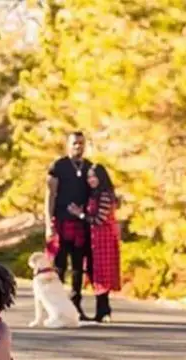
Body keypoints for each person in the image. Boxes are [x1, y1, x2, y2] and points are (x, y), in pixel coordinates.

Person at [46, 131, 93, 319]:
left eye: (81, 143)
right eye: (74, 143)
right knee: (59, 265)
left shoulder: (90, 167)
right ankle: (57, 306)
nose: (78, 146)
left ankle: (76, 305)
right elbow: (50, 195)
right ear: (68, 145)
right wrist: (49, 222)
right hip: (62, 221)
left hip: (81, 224)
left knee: (78, 266)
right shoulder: (59, 166)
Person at [68, 163, 121, 322]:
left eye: (94, 176)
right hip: (95, 240)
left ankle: (103, 310)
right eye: (89, 177)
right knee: (94, 272)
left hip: (104, 238)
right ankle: (102, 309)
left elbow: (99, 219)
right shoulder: (94, 195)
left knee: (102, 273)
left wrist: (80, 215)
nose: (91, 180)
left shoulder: (105, 195)